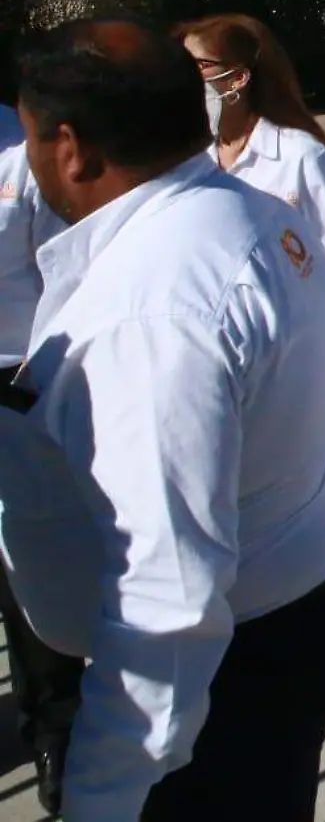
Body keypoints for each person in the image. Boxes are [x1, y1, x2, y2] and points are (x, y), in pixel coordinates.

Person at [8, 18, 325, 820]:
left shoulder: (150, 313)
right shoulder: (236, 212)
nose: (27, 162)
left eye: (30, 138)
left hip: (235, 667)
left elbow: (168, 599)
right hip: (296, 601)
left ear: (70, 148)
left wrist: (101, 800)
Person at [176, 15, 325, 413]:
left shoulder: (301, 156)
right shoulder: (191, 159)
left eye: (198, 68)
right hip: (220, 357)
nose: (185, 81)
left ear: (238, 79)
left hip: (298, 356)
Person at [0, 102, 84, 816]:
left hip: (14, 385)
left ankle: (54, 727)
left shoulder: (24, 148)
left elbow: (66, 276)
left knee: (25, 570)